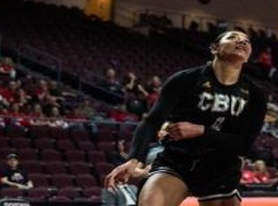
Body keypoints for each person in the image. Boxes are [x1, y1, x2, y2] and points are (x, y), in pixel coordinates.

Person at [103, 31, 268, 206]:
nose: (241, 42)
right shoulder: (185, 79)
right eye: (233, 37)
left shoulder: (255, 93)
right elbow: (151, 121)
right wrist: (133, 159)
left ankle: (145, 175)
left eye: (246, 41)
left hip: (221, 168)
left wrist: (201, 131)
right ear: (214, 48)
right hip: (178, 161)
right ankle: (146, 175)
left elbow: (244, 145)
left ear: (248, 56)